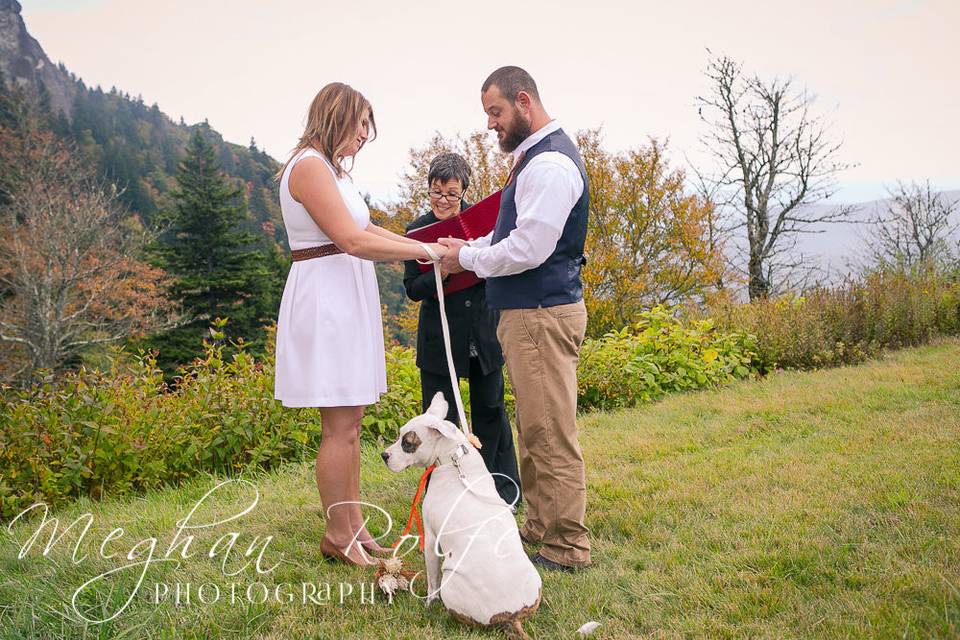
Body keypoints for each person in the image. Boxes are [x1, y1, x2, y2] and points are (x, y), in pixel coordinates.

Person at [274, 82, 447, 567]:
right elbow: (350, 240)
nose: (365, 136)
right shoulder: (308, 167)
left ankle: (354, 524)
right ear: (336, 116)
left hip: (345, 293)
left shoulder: (335, 172)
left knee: (351, 423)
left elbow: (368, 229)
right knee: (338, 427)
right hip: (325, 298)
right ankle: (337, 533)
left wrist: (426, 244)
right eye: (361, 125)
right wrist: (425, 251)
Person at [439, 66, 591, 572]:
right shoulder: (533, 160)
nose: (490, 125)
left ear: (524, 101)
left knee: (550, 434)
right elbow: (511, 235)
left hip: (541, 314)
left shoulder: (549, 166)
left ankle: (567, 546)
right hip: (528, 315)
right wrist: (467, 246)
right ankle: (540, 530)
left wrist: (466, 260)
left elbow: (528, 249)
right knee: (534, 428)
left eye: (496, 112)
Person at [403, 152, 522, 508]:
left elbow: (501, 265)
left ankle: (502, 491)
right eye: (436, 193)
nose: (443, 201)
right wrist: (442, 271)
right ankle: (444, 498)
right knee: (440, 421)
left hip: (483, 335)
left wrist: (470, 257)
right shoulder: (415, 232)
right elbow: (412, 289)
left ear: (464, 191)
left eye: (451, 194)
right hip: (440, 341)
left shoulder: (484, 225)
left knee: (491, 412)